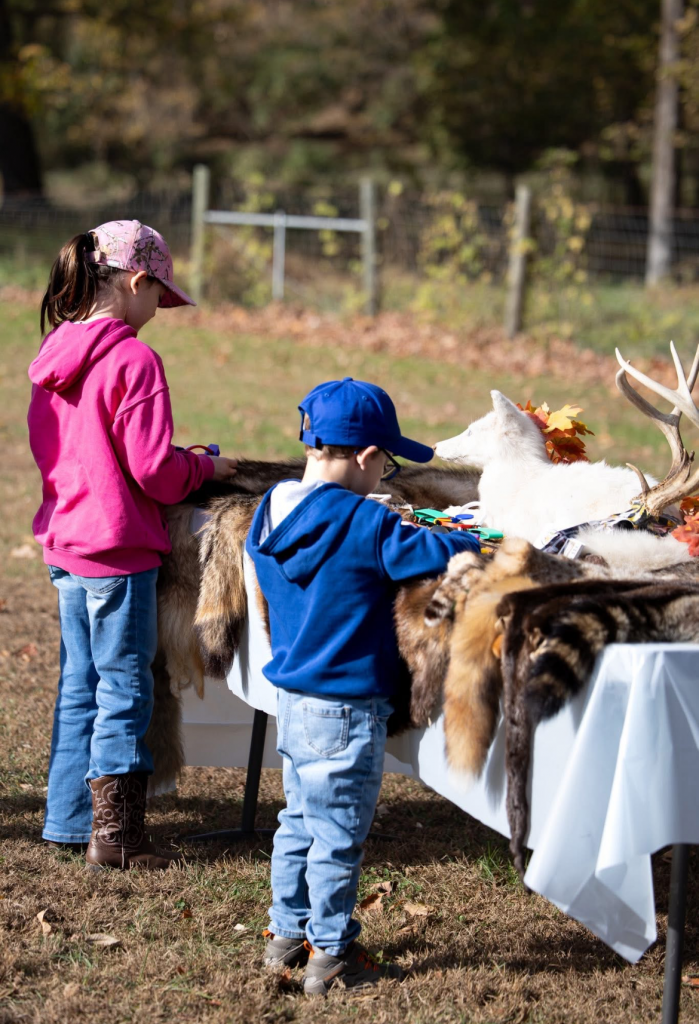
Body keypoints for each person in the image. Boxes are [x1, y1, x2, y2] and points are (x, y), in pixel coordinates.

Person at [246, 377, 481, 994]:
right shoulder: (366, 525)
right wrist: (476, 536)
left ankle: (283, 936)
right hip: (348, 708)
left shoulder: (269, 509)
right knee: (340, 835)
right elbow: (432, 551)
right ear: (369, 457)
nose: (387, 477)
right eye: (389, 464)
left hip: (293, 701)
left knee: (297, 820)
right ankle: (331, 952)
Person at [28, 220, 237, 870]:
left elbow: (68, 452)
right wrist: (203, 469)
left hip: (68, 549)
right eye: (159, 298)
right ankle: (118, 839)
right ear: (136, 281)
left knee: (80, 686)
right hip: (118, 555)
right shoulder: (134, 359)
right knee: (125, 689)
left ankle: (67, 822)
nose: (158, 312)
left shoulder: (56, 352)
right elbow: (152, 470)